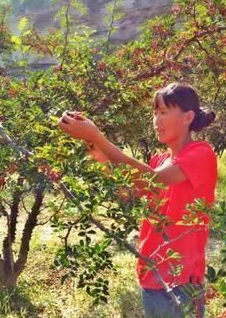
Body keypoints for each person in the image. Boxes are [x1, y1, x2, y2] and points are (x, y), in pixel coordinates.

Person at [58, 82, 217, 318]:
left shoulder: (201, 154)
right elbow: (127, 195)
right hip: (151, 272)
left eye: (164, 112)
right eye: (155, 113)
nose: (157, 120)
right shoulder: (157, 160)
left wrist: (98, 136)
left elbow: (154, 180)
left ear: (188, 117)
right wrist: (97, 154)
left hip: (181, 278)